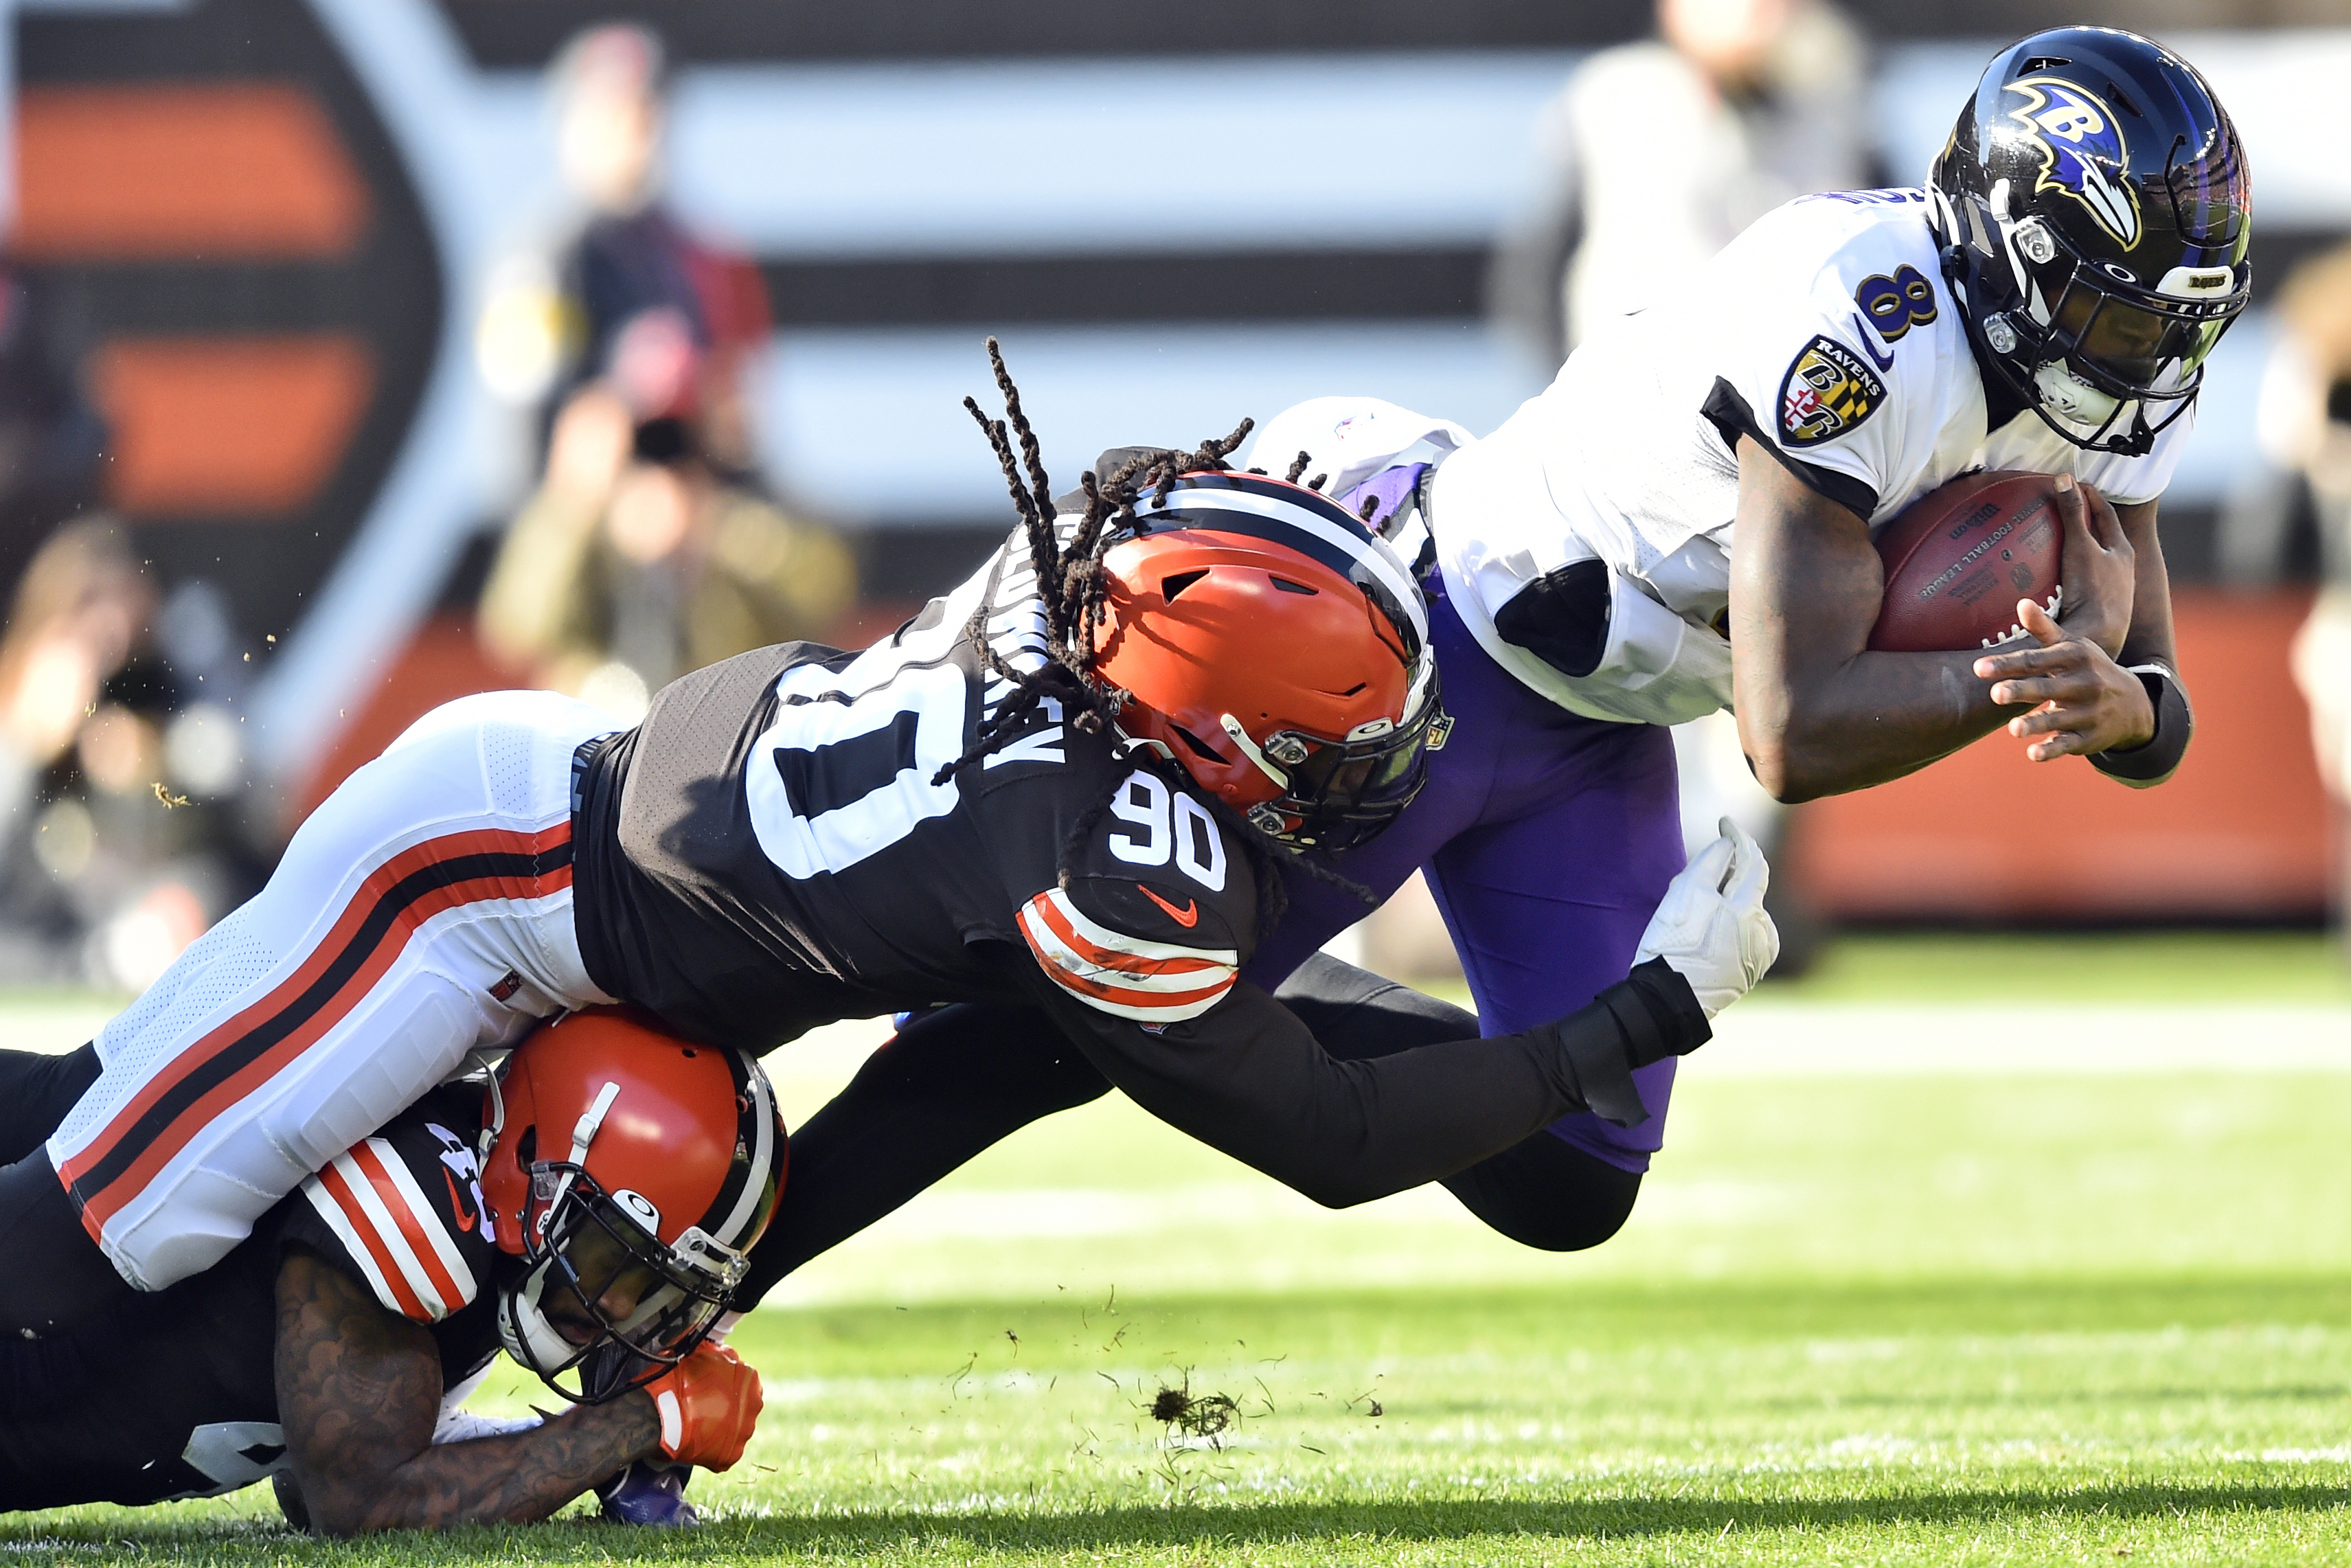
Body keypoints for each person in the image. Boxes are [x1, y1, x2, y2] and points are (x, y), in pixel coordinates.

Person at [741, 26, 2244, 1298]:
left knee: (1572, 1175)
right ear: (2011, 255)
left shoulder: (2107, 378)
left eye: (2176, 316)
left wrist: (2119, 699)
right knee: (1047, 1038)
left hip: (1608, 713)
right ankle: (685, 1285)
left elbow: (2151, 702)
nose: (2145, 360)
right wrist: (2033, 680)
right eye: (2121, 307)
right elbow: (1790, 733)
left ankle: (1260, 991)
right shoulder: (1862, 320)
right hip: (1450, 643)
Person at [0, 346, 1778, 1361]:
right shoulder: (1115, 871)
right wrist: (1645, 1014)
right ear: (1212, 731)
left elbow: (992, 1065)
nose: (1365, 785)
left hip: (544, 846)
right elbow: (1332, 1138)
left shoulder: (1064, 612)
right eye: (1329, 744)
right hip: (476, 894)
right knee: (120, 1219)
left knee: (113, 1094)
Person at [0, 1008, 780, 1533]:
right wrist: (637, 1423)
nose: (614, 1305)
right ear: (536, 1159)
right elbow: (355, 1496)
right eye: (613, 1257)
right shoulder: (422, 1195)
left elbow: (320, 1464)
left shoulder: (493, 1250)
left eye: (654, 1287)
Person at [474, 23, 854, 714]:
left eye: (649, 110)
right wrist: (605, 493)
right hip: (590, 550)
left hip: (705, 542)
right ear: (573, 123)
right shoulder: (544, 263)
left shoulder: (702, 260)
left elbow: (746, 436)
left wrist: (703, 490)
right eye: (615, 111)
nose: (637, 130)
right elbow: (532, 457)